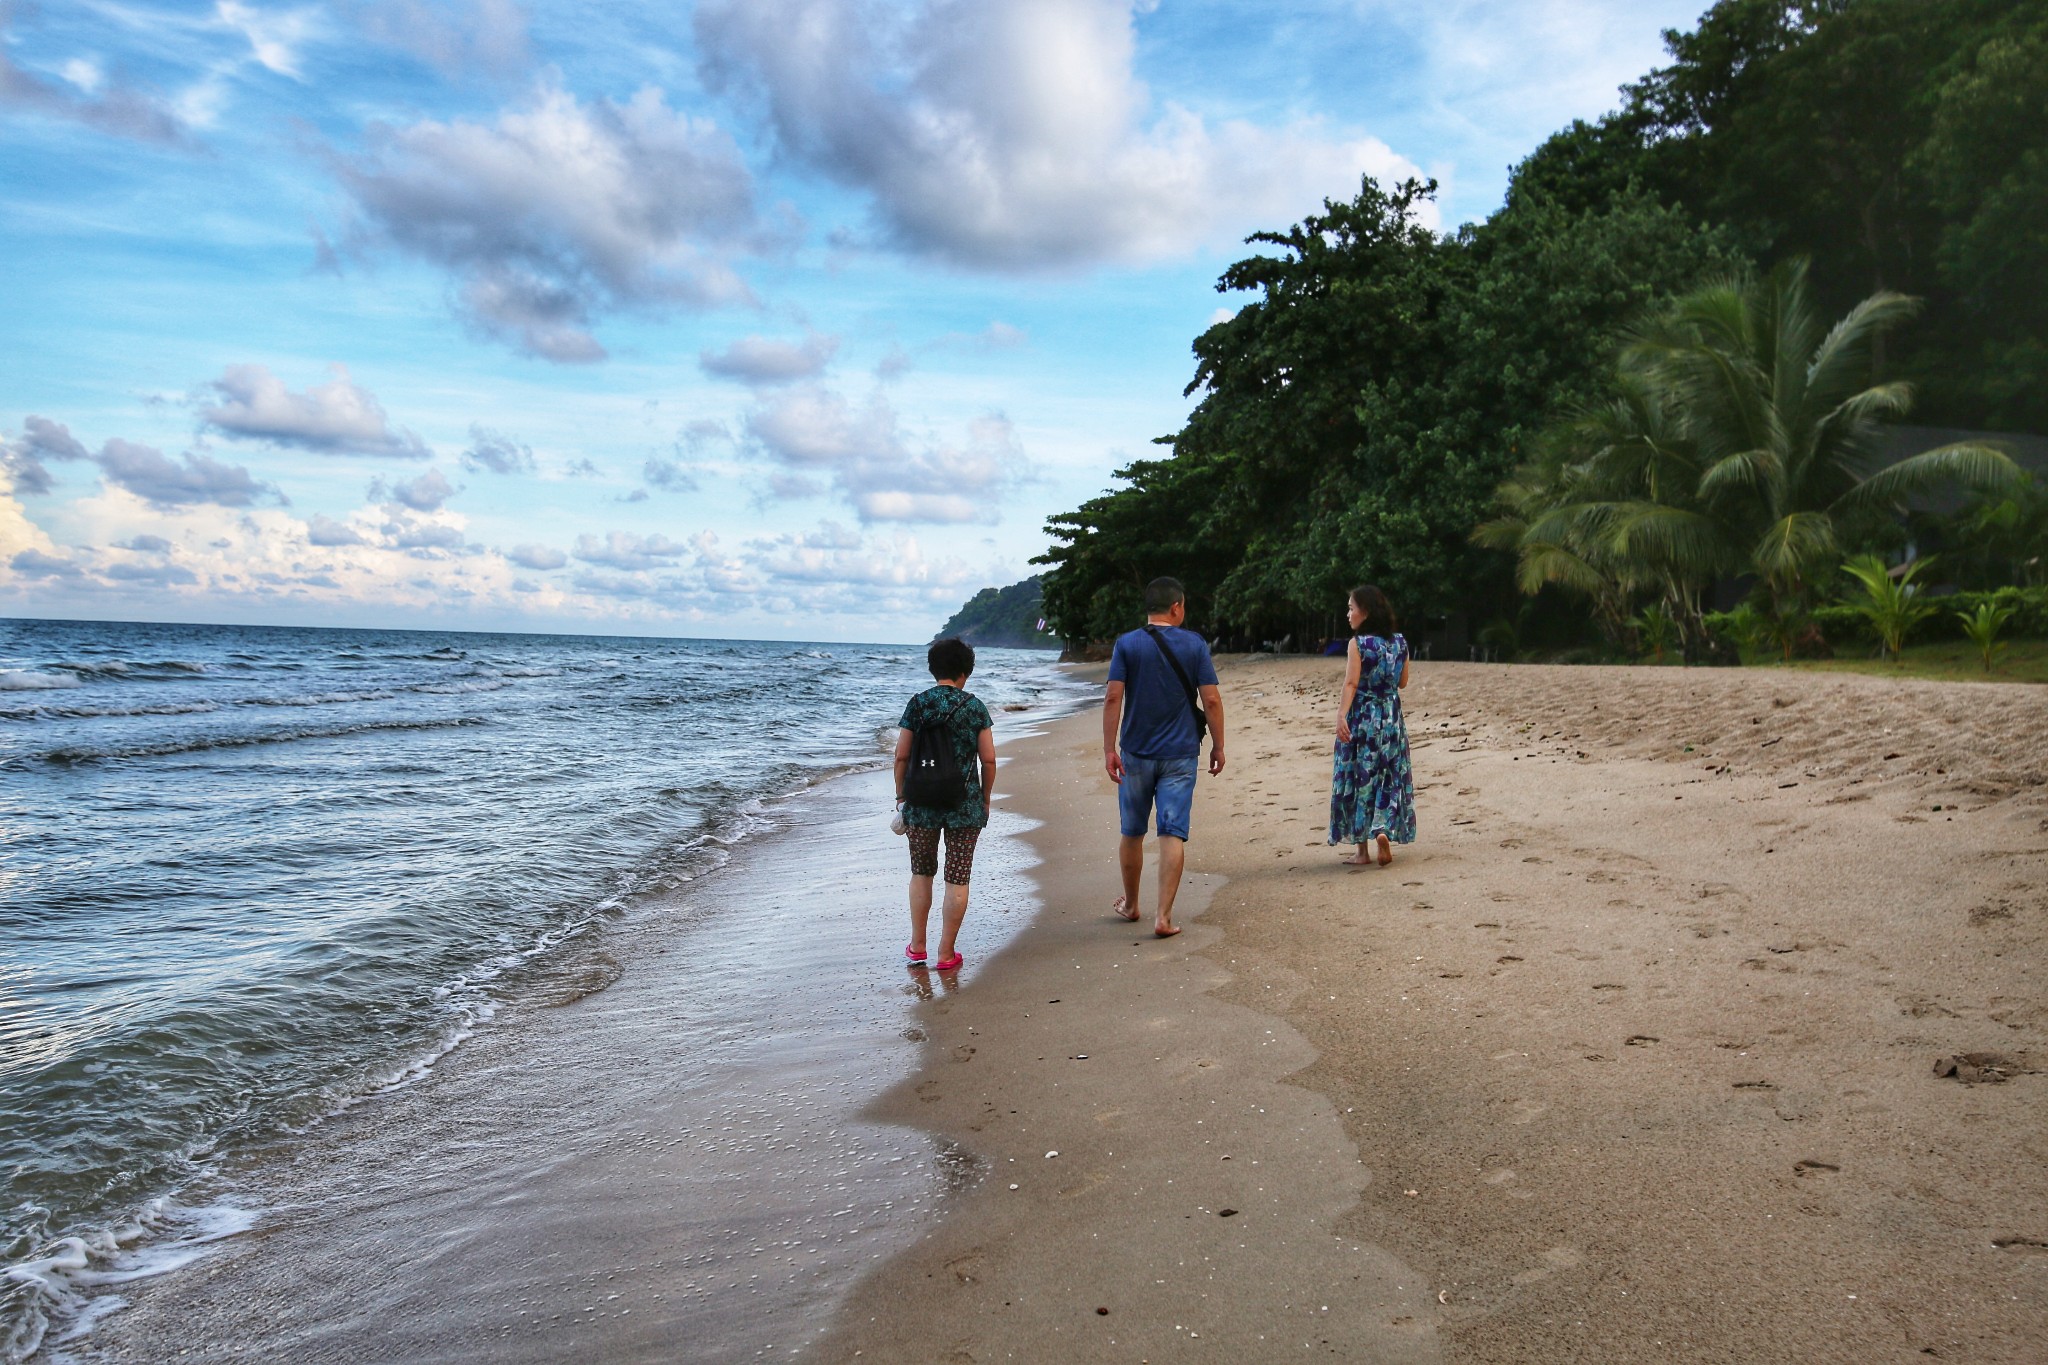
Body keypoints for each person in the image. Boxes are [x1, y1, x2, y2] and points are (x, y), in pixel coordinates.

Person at [1103, 577, 1225, 938]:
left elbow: (1113, 698)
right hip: (1180, 754)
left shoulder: (1127, 644)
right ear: (1176, 607)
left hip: (1135, 753)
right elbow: (1212, 700)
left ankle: (1131, 904)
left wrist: (1110, 748)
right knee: (1172, 831)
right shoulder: (1194, 645)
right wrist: (1218, 745)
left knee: (1132, 831)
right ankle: (1164, 917)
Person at [894, 637, 997, 972]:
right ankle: (945, 953)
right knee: (957, 877)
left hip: (921, 803)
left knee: (921, 873)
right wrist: (985, 798)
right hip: (963, 806)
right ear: (965, 671)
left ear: (932, 668)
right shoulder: (975, 707)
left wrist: (901, 796)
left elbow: (902, 755)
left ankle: (917, 946)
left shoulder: (918, 704)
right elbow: (989, 760)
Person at [1329, 584, 1416, 866]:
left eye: (1351, 608)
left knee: (1359, 775)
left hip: (1363, 717)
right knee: (1389, 775)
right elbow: (1402, 683)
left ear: (1364, 612)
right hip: (1391, 718)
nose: (1348, 614)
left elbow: (1351, 682)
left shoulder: (1358, 644)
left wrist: (1341, 714)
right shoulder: (1400, 642)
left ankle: (1361, 852)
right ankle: (1382, 828)